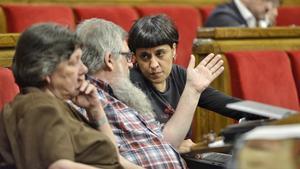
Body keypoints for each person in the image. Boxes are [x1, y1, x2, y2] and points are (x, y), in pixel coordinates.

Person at [76, 18, 224, 168]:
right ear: (109, 60)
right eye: (128, 56)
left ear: (173, 50)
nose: (130, 64)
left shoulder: (121, 94)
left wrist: (193, 88)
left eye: (160, 54)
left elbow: (166, 141)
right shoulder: (89, 100)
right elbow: (110, 160)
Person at [0, 23, 123, 169]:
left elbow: (114, 158)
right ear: (45, 70)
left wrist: (95, 110)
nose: (84, 69)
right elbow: (58, 166)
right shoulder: (38, 107)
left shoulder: (54, 104)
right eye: (74, 62)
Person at [128, 14, 261, 137]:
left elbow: (229, 105)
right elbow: (150, 139)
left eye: (160, 54)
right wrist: (180, 148)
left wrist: (272, 115)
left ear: (173, 50)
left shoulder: (178, 75)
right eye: (145, 56)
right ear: (135, 58)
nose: (153, 64)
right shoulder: (130, 84)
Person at [204, 0, 280, 28]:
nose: (269, 7)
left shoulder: (256, 17)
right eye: (266, 0)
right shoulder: (221, 17)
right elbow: (249, 45)